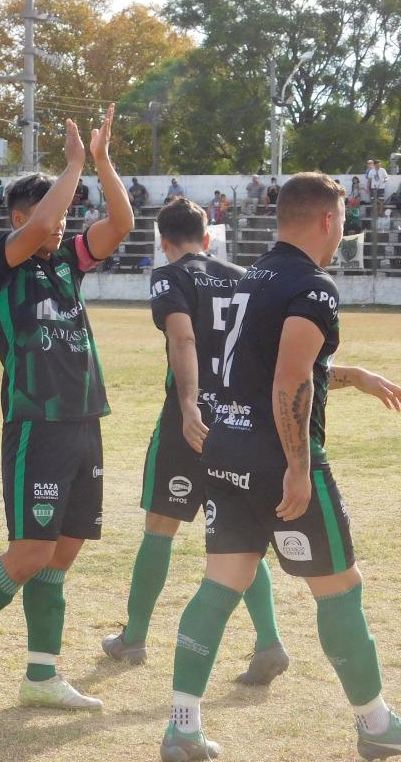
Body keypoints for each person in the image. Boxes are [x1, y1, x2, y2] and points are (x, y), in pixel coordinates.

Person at [158, 172, 401, 762]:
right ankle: (375, 724)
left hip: (226, 450)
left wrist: (352, 376)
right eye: (342, 219)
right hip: (279, 462)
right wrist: (297, 466)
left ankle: (182, 726)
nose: (344, 230)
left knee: (220, 584)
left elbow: (267, 365)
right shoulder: (311, 286)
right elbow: (289, 378)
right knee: (340, 588)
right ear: (326, 220)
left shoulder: (246, 279)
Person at [0, 106, 133, 710]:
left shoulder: (68, 260)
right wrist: (72, 164)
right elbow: (48, 216)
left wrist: (100, 162)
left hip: (83, 420)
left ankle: (41, 675)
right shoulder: (1, 258)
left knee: (63, 549)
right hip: (35, 425)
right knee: (29, 551)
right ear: (22, 217)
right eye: (52, 212)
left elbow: (122, 223)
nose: (64, 221)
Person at [102, 199, 287, 684]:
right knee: (239, 533)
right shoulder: (243, 276)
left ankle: (135, 638)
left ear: (163, 242)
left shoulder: (170, 276)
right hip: (240, 420)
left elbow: (182, 340)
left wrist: (188, 407)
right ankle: (269, 641)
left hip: (193, 421)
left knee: (160, 526)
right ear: (208, 237)